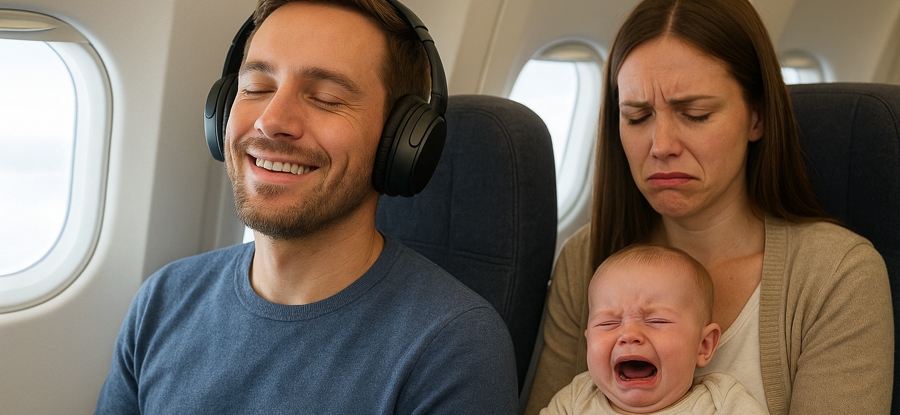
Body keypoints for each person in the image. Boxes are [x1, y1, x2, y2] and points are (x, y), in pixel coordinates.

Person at [95, 0, 518, 413]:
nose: (271, 120)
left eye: (327, 98)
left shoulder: (453, 347)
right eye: (255, 88)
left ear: (401, 141)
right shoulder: (164, 299)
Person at [524, 0, 893, 414]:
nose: (661, 146)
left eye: (695, 114)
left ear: (757, 117)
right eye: (637, 116)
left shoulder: (836, 275)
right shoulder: (584, 258)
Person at [541, 245, 766, 414]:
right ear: (589, 342)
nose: (629, 335)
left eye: (656, 321)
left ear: (704, 345)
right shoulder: (575, 400)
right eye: (608, 323)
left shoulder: (722, 402)